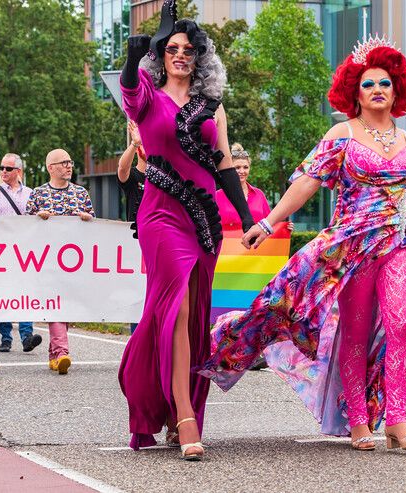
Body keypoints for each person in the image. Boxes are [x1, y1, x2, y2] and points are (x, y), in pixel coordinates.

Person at [200, 35, 406, 452]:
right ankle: (357, 420)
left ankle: (397, 419)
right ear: (354, 92)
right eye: (368, 84)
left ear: (398, 91)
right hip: (352, 248)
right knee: (354, 334)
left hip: (398, 244)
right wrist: (267, 223)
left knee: (401, 325)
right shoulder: (342, 134)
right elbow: (306, 184)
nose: (377, 90)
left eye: (385, 83)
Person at [117, 1, 256, 461]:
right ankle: (184, 415)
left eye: (189, 49)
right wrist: (136, 53)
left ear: (200, 57)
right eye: (172, 48)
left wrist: (250, 219)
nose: (181, 55)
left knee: (195, 317)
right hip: (159, 215)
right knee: (174, 307)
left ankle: (185, 407)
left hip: (205, 219)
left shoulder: (212, 107)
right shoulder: (146, 97)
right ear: (162, 55)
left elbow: (223, 165)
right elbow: (129, 88)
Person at [215, 143, 294, 371]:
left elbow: (268, 223)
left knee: (253, 304)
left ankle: (251, 352)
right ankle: (224, 349)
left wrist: (282, 229)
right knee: (226, 304)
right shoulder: (219, 195)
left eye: (245, 167)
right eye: (237, 167)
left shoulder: (259, 195)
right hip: (228, 261)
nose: (241, 171)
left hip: (254, 261)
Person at [26, 148, 95, 375]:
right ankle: (63, 351)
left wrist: (88, 220)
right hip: (46, 261)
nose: (69, 166)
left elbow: (95, 225)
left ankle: (55, 354)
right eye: (63, 162)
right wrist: (38, 219)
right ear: (51, 168)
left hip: (75, 261)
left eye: (70, 161)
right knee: (56, 303)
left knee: (65, 303)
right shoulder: (38, 194)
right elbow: (22, 228)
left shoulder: (81, 193)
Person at [0, 153, 42, 353]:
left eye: (8, 168)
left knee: (25, 291)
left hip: (25, 250)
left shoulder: (30, 193)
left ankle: (27, 336)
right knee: (3, 292)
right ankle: (5, 337)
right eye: (1, 167)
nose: (3, 171)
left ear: (18, 171)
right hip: (1, 250)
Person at [117, 120, 147, 335]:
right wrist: (134, 143)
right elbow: (122, 168)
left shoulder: (163, 178)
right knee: (137, 293)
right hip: (136, 243)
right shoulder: (134, 177)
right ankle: (137, 338)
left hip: (159, 242)